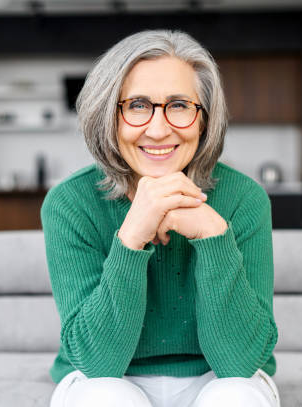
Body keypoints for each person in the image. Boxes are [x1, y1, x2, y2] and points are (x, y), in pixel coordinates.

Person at [41, 29, 280, 407]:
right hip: (106, 378)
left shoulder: (244, 199)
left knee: (235, 397)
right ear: (109, 116)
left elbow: (239, 363)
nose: (158, 129)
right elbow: (97, 363)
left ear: (203, 120)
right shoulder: (70, 203)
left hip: (216, 375)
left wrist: (214, 235)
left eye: (180, 105)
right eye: (136, 105)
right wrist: (132, 237)